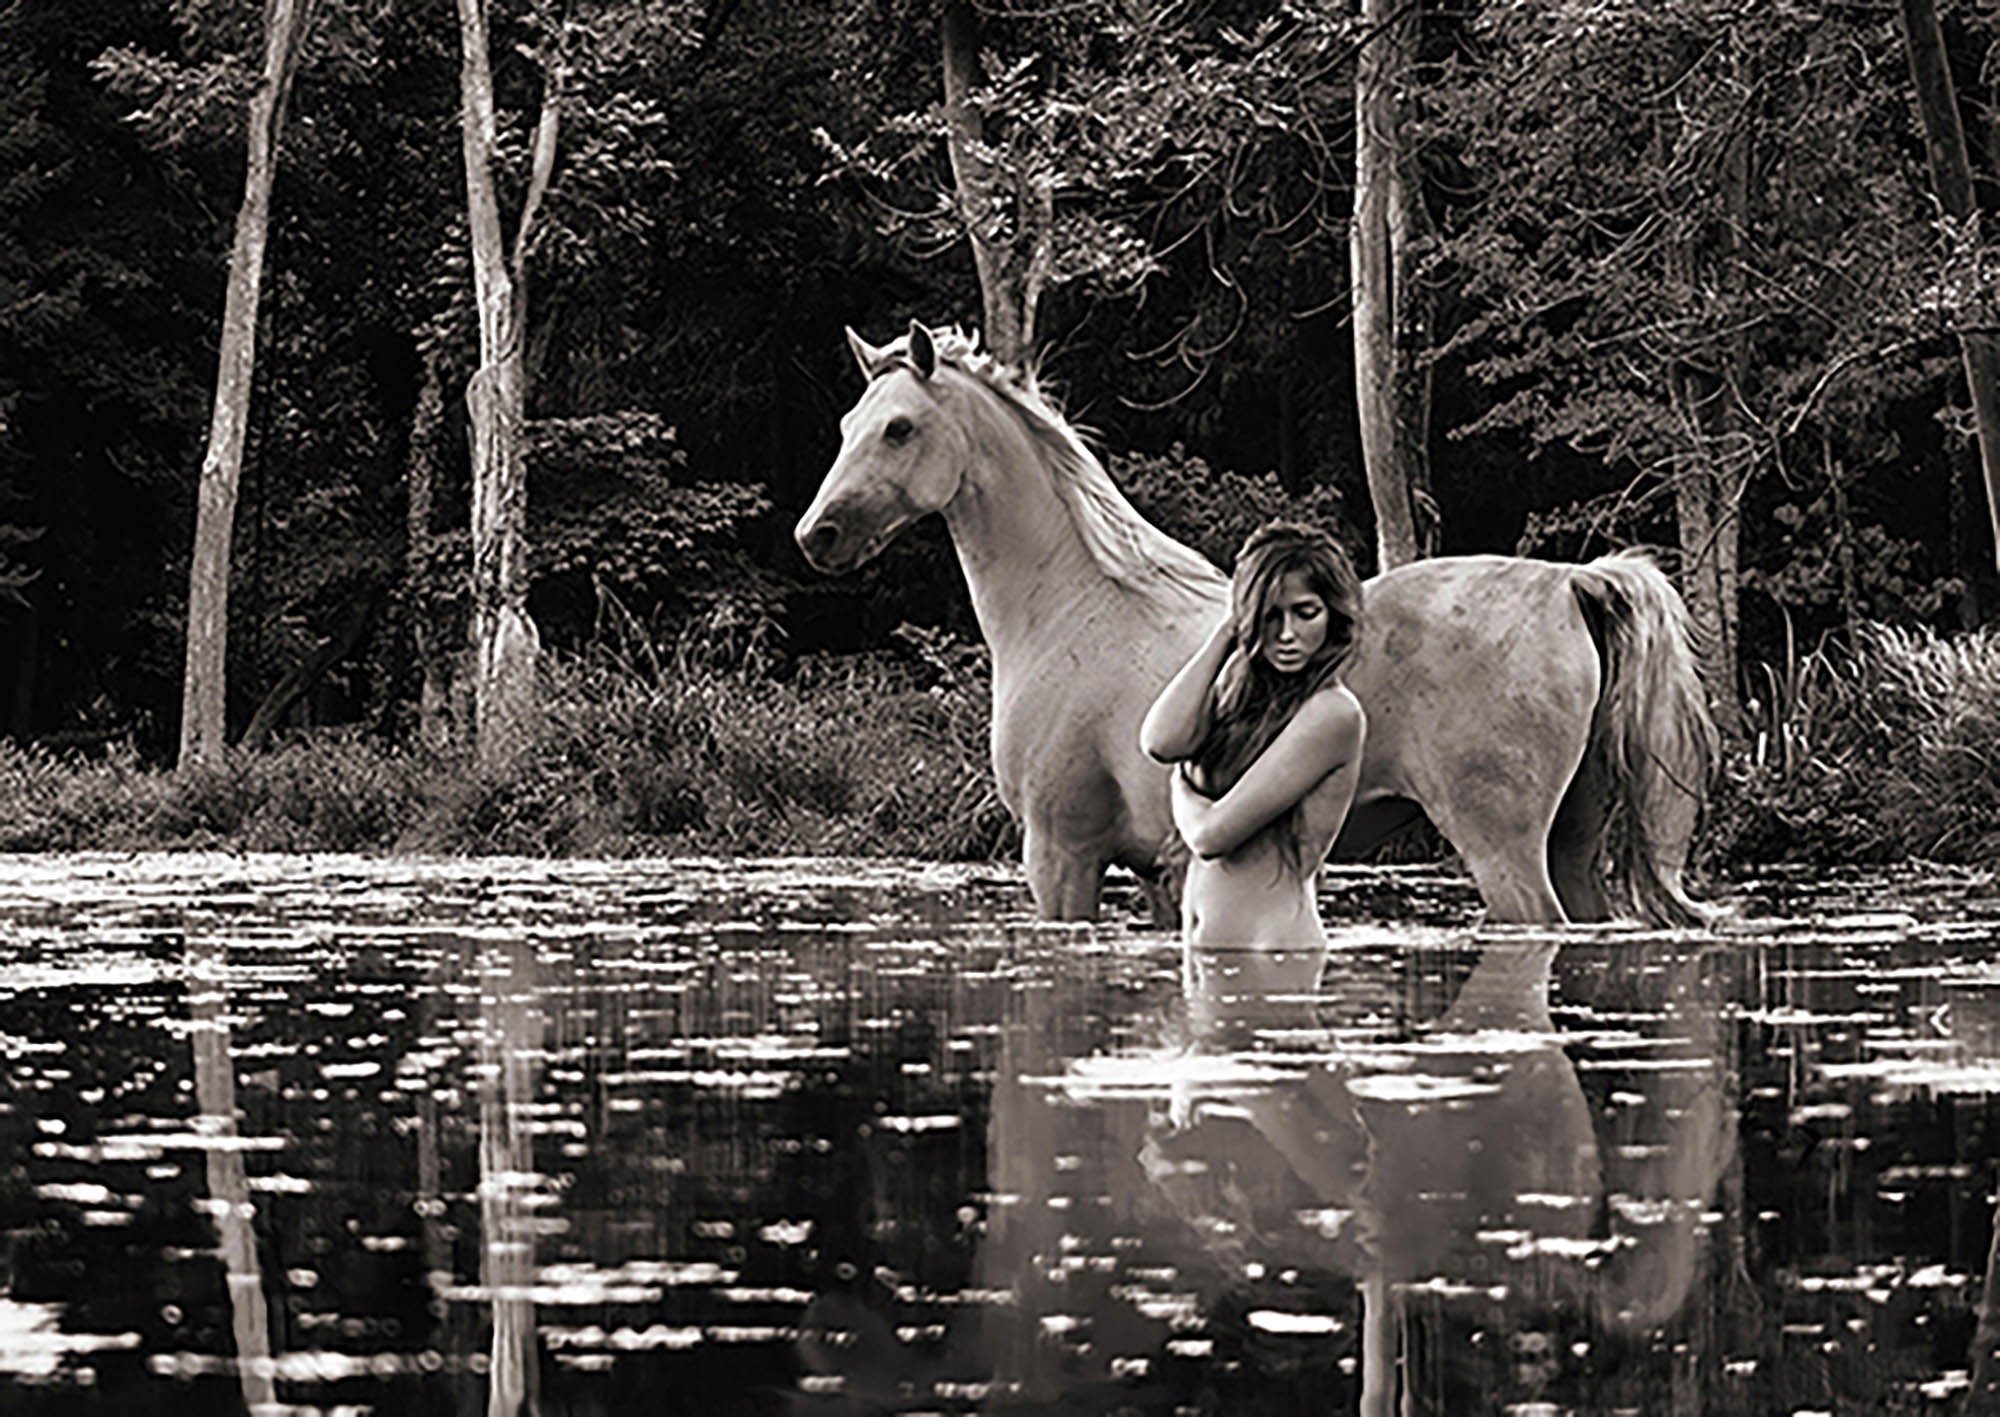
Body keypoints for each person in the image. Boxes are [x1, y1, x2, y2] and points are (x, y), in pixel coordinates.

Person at [1138, 521, 1367, 1017]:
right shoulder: (1237, 695)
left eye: (1305, 613)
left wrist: (1182, 791)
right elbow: (1160, 741)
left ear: (1334, 615)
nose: (1286, 634)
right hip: (1213, 963)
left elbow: (1211, 836)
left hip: (1271, 961)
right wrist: (1227, 634)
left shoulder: (1333, 714)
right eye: (1269, 616)